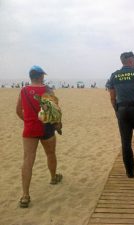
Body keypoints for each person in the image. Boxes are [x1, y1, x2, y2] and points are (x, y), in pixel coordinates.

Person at [16, 65, 62, 208]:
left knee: (28, 160)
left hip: (29, 130)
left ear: (31, 77)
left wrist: (28, 121)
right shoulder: (48, 90)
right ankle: (53, 178)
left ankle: (25, 196)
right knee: (50, 154)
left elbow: (18, 111)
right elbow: (56, 112)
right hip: (46, 127)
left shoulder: (23, 90)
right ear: (41, 76)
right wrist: (58, 125)